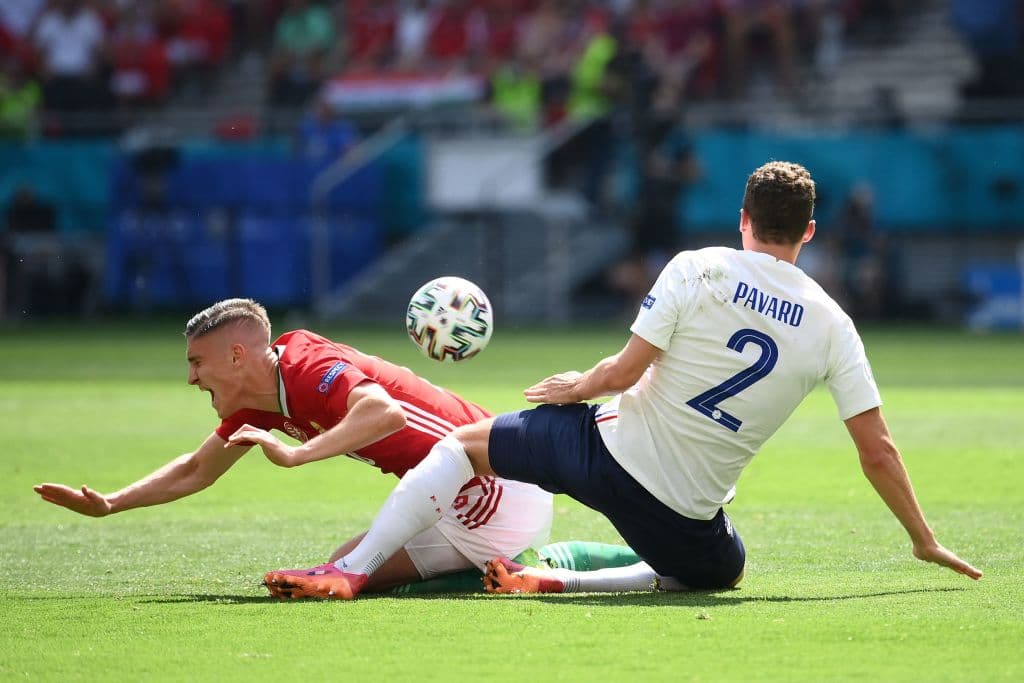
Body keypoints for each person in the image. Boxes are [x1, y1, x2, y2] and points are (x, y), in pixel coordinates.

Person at [264, 161, 983, 599]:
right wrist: (921, 537)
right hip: (681, 513)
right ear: (810, 232)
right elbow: (877, 448)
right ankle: (562, 582)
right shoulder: (833, 324)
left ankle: (352, 570)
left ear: (743, 221)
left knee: (460, 444)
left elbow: (625, 371)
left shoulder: (696, 265)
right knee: (718, 571)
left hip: (597, 452)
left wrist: (575, 386)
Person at [34, 298, 636, 595]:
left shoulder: (306, 365)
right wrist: (111, 504)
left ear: (237, 356)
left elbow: (383, 410)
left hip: (493, 487)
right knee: (337, 569)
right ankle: (523, 565)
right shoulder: (256, 398)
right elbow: (197, 469)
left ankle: (548, 563)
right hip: (459, 495)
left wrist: (296, 454)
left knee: (348, 575)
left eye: (198, 363)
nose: (192, 377)